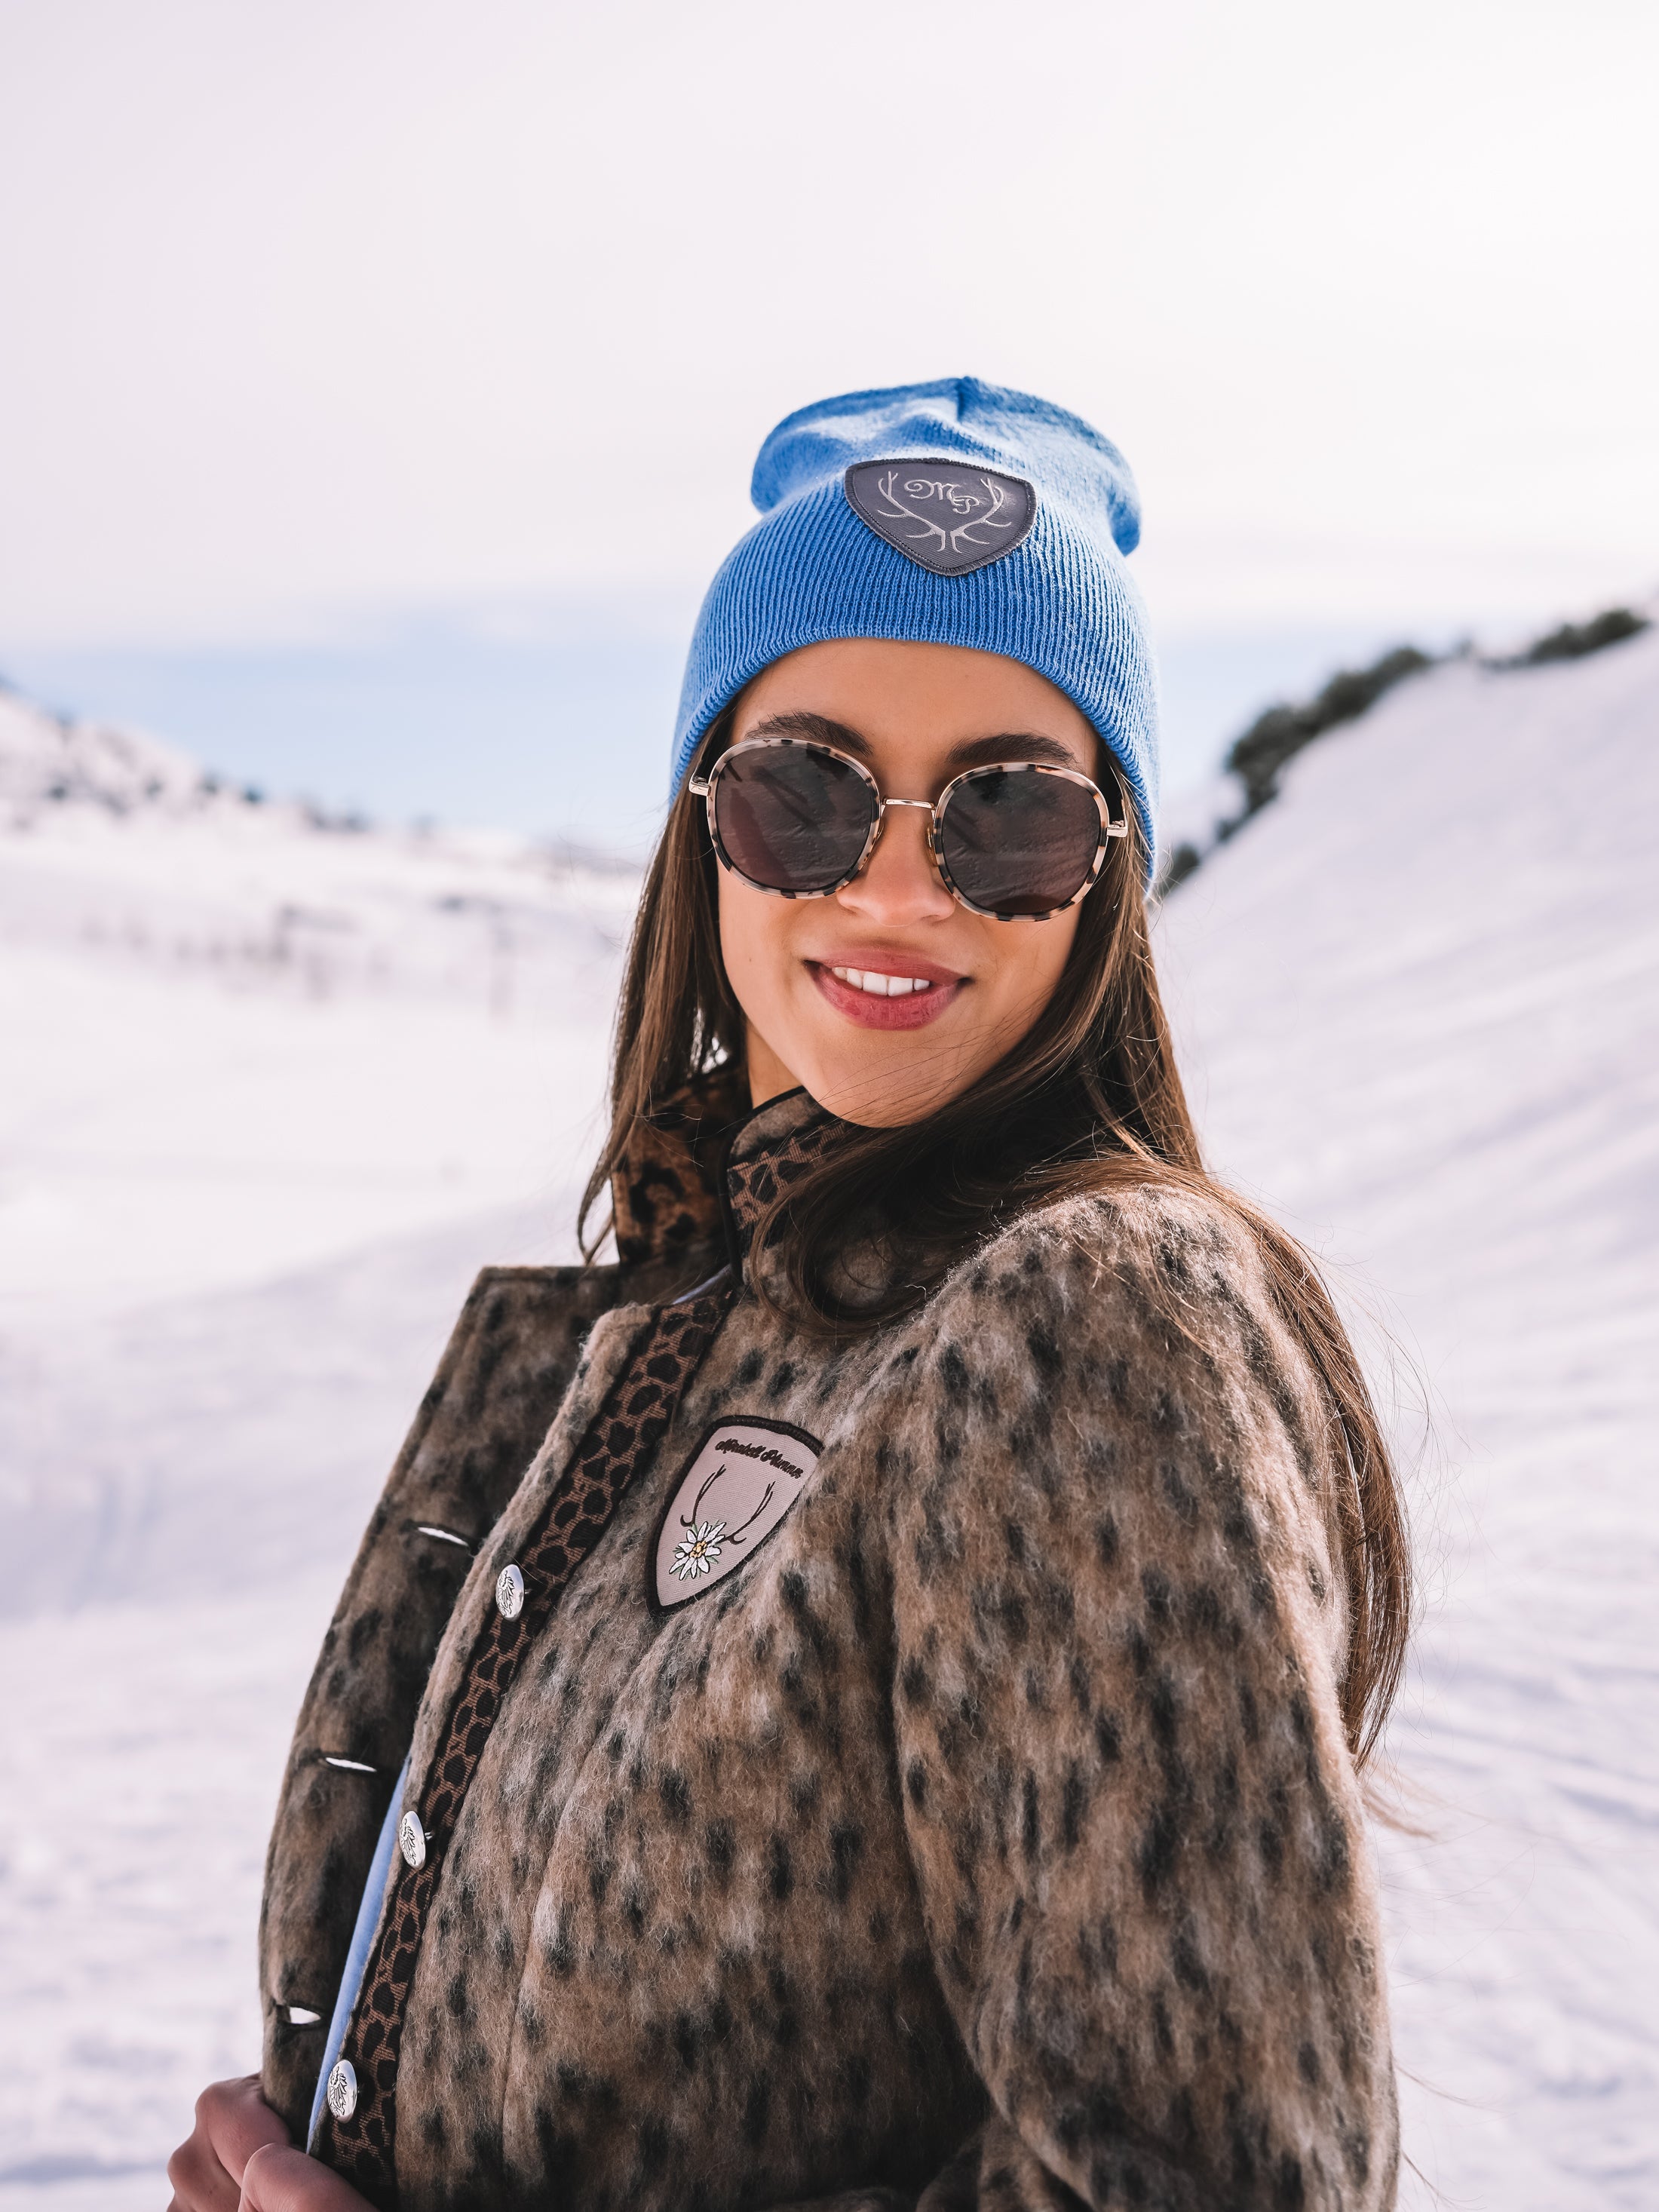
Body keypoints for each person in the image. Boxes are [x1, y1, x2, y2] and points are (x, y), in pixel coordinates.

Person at [168, 378, 1407, 2212]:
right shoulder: (680, 1329)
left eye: (1009, 814)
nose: (896, 884)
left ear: (1104, 879)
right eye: (804, 791)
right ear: (704, 823)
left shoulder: (1085, 1323)